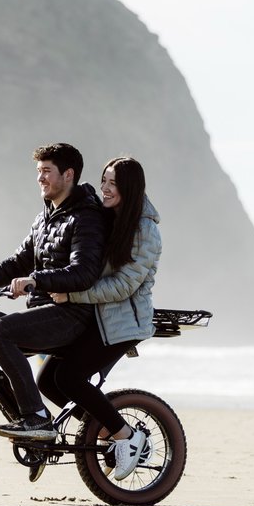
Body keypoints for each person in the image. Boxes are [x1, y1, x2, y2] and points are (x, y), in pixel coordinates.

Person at [0, 143, 106, 442]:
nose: (40, 178)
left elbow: (84, 273)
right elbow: (17, 263)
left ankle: (36, 418)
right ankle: (28, 419)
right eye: (38, 172)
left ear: (68, 174)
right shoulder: (45, 218)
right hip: (45, 311)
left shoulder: (87, 217)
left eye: (47, 172)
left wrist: (35, 281)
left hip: (74, 314)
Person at [42, 156, 163, 481]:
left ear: (130, 188)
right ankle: (111, 429)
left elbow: (124, 285)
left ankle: (126, 435)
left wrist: (73, 295)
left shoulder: (145, 229)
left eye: (113, 183)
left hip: (124, 322)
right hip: (95, 318)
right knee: (46, 381)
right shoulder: (105, 219)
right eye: (104, 181)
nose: (105, 188)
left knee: (69, 378)